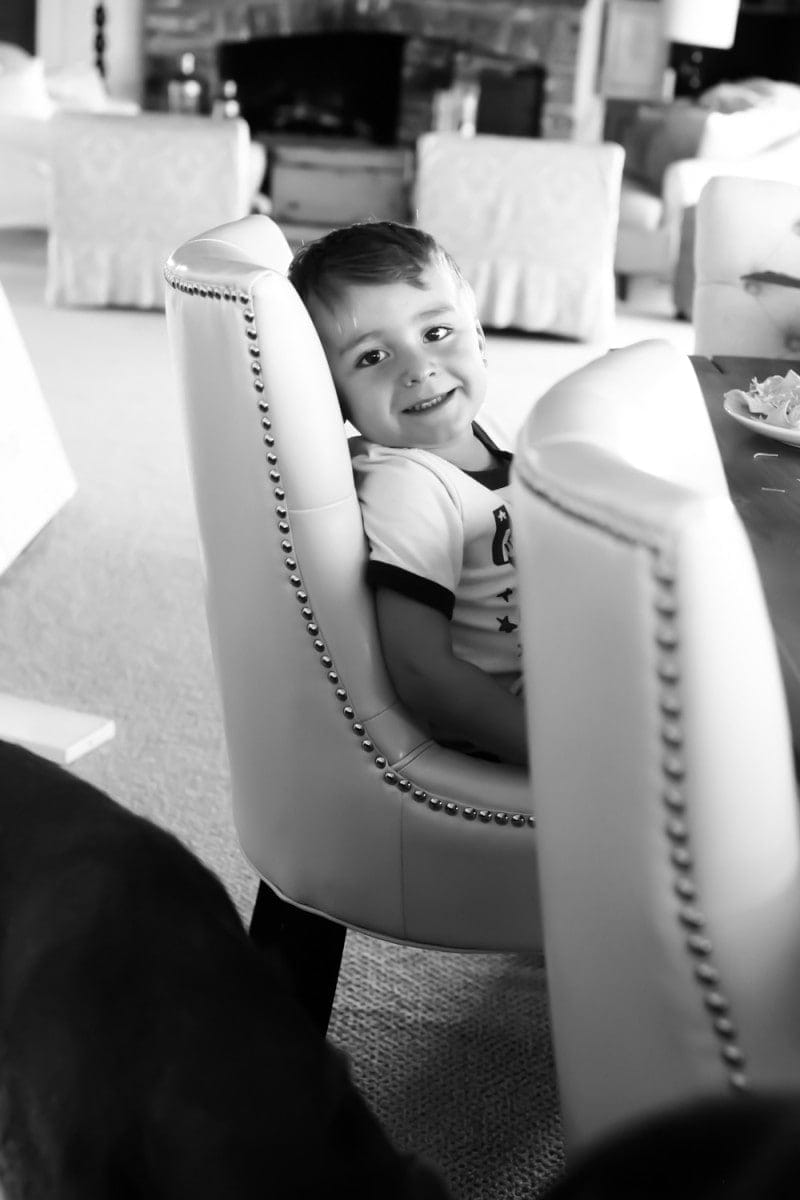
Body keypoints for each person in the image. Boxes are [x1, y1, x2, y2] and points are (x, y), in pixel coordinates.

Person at [288, 220, 527, 766]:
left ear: (480, 338)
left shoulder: (488, 429)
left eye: (436, 333)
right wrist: (552, 754)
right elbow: (423, 671)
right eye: (372, 357)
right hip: (502, 720)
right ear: (334, 398)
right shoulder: (408, 487)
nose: (419, 369)